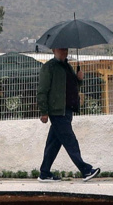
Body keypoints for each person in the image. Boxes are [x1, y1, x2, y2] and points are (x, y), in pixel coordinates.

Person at [36, 47, 100, 182]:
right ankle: (85, 169)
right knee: (70, 141)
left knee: (54, 143)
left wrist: (79, 79)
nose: (64, 52)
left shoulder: (68, 67)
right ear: (53, 50)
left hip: (68, 110)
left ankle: (44, 173)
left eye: (66, 49)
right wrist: (44, 111)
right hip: (57, 111)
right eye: (61, 49)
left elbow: (71, 86)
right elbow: (42, 90)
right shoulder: (49, 67)